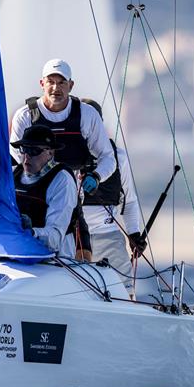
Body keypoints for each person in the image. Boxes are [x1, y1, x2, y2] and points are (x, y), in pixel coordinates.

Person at [10, 59, 116, 256]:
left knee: (83, 259)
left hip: (71, 197)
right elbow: (18, 160)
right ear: (42, 84)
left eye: (61, 82)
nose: (55, 88)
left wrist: (96, 176)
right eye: (50, 82)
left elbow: (108, 158)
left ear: (71, 85)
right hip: (33, 195)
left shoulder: (86, 114)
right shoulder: (24, 115)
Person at [80, 99, 146, 295]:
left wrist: (134, 233)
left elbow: (130, 200)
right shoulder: (63, 156)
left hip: (107, 236)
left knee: (124, 294)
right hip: (71, 238)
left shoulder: (118, 156)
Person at [11, 125, 78, 257]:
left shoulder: (62, 180)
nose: (26, 157)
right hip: (20, 255)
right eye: (24, 149)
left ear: (50, 153)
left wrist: (32, 232)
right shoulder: (14, 174)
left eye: (34, 151)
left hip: (55, 261)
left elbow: (55, 237)